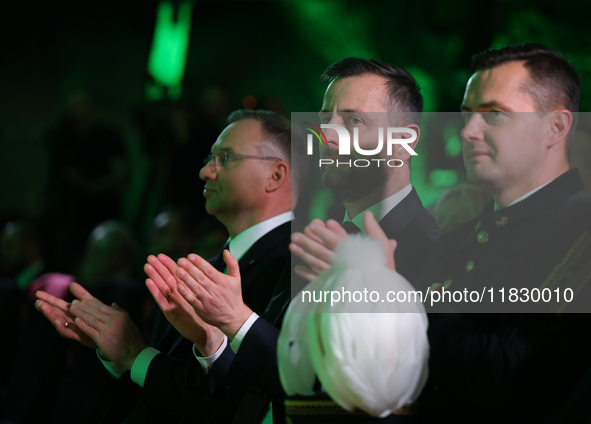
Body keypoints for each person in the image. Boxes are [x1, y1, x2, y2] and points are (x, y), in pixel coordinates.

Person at [170, 58, 443, 423]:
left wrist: (238, 321)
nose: (326, 133)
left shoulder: (430, 252)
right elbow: (271, 381)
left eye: (353, 120)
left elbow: (367, 401)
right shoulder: (313, 239)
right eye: (326, 117)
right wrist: (213, 343)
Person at [35, 109, 304, 423]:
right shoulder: (212, 263)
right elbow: (172, 387)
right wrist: (121, 354)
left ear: (276, 175)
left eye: (226, 158)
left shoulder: (300, 263)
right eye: (210, 158)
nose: (206, 172)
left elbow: (246, 403)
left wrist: (137, 355)